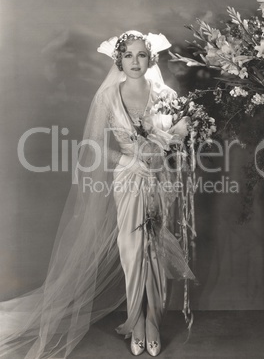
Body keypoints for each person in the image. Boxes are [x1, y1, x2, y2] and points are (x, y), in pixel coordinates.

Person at [0, 30, 194, 358]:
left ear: (151, 59)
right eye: (129, 55)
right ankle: (137, 321)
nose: (135, 61)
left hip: (161, 180)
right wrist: (132, 157)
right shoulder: (108, 97)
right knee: (133, 252)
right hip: (127, 179)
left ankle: (153, 322)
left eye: (141, 55)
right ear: (119, 59)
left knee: (156, 252)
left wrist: (173, 137)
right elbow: (96, 147)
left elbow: (181, 134)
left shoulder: (166, 93)